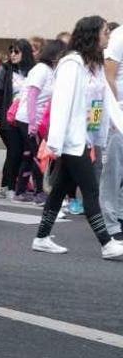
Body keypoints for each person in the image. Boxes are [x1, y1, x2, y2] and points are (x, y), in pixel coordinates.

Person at [32, 16, 123, 259]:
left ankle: (41, 237)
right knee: (91, 190)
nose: (108, 37)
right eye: (105, 32)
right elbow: (61, 104)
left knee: (60, 188)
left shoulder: (94, 65)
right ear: (92, 35)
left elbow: (109, 103)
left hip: (86, 139)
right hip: (72, 140)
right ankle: (107, 243)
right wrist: (56, 143)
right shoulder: (71, 64)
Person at [16, 39, 65, 206]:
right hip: (29, 119)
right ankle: (38, 192)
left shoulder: (52, 71)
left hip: (37, 120)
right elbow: (31, 96)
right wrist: (32, 123)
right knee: (38, 156)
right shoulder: (41, 70)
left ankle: (20, 191)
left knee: (30, 155)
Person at [0, 39, 35, 200]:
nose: (13, 55)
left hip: (26, 119)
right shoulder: (5, 69)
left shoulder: (33, 72)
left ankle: (20, 185)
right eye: (11, 51)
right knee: (14, 152)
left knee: (24, 153)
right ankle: (7, 186)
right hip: (8, 119)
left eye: (17, 52)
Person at [101, 23, 123, 239]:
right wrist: (115, 112)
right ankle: (110, 222)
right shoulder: (118, 37)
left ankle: (120, 214)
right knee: (113, 170)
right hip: (119, 114)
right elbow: (109, 76)